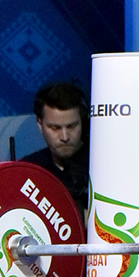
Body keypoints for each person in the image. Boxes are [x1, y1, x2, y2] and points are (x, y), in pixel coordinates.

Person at [23, 81, 90, 211]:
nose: (65, 137)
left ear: (83, 121)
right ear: (39, 124)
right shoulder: (28, 171)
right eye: (55, 128)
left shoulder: (102, 167)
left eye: (72, 126)